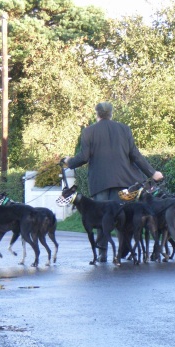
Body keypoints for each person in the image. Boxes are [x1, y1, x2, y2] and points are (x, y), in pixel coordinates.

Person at [63, 101, 163, 262]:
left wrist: (69, 161)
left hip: (100, 182)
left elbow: (83, 157)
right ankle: (123, 251)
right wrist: (153, 173)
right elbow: (135, 156)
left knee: (103, 217)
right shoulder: (124, 129)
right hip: (124, 181)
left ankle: (102, 253)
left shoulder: (89, 131)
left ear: (96, 114)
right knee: (121, 216)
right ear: (111, 113)